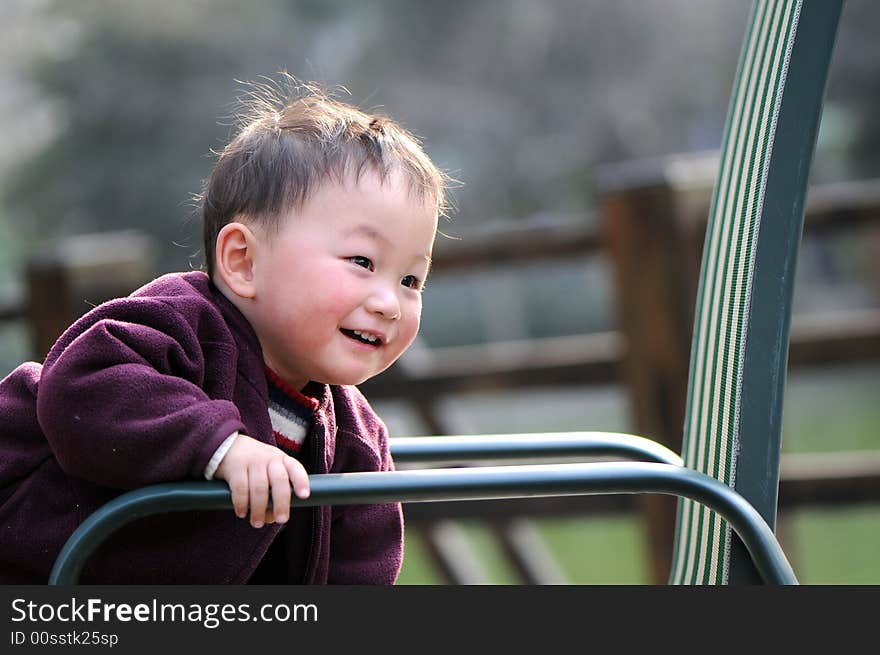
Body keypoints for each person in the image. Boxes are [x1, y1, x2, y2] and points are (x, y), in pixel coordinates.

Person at [0, 79, 449, 584]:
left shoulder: (355, 439)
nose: (390, 303)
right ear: (243, 262)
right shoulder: (183, 323)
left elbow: (361, 565)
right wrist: (219, 446)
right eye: (362, 261)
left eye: (411, 279)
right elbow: (81, 383)